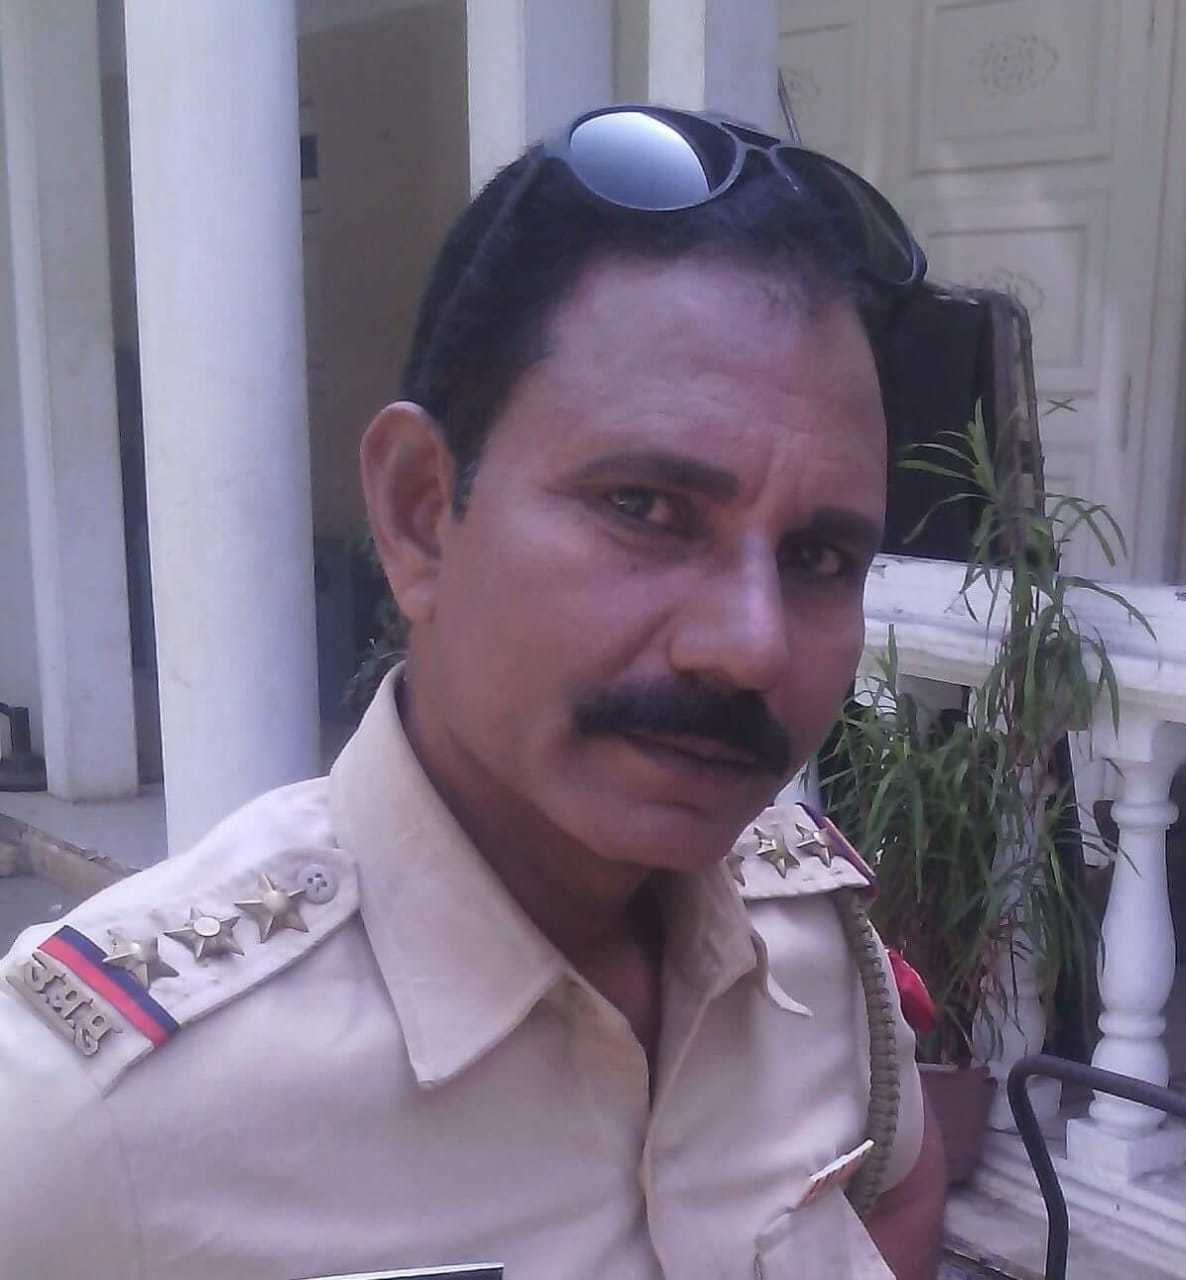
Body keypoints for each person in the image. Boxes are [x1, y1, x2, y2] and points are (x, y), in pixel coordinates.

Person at [0, 106, 944, 1278]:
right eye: (645, 508)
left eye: (818, 558)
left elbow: (901, 1180)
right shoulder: (86, 1121)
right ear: (417, 515)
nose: (749, 646)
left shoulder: (812, 947)